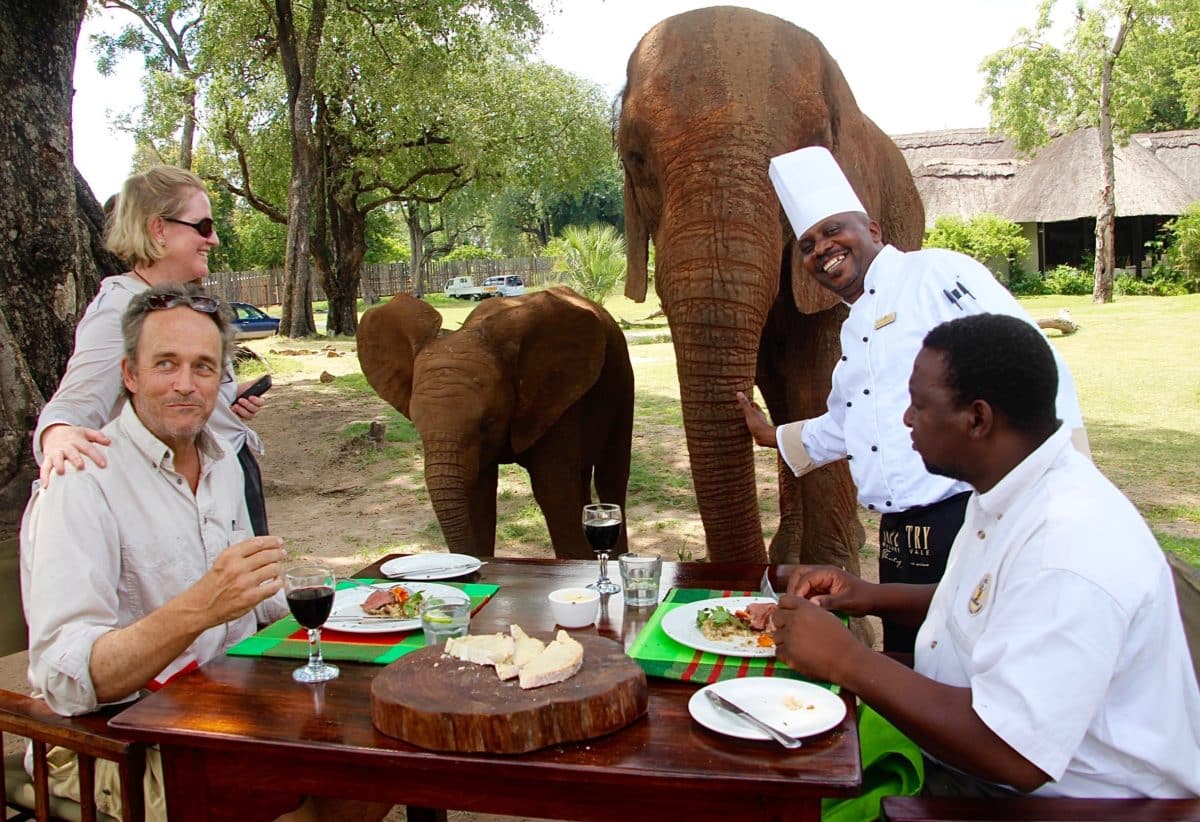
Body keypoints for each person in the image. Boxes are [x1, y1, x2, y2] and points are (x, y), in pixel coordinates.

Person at [772, 313, 1200, 798]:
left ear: (977, 418)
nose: (907, 419)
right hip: (965, 757)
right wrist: (869, 596)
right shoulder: (1013, 486)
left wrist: (848, 661)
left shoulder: (1068, 545)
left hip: (1045, 803)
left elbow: (1012, 753)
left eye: (919, 405)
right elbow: (994, 599)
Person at [737, 145, 1087, 653]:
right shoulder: (853, 327)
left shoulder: (936, 275)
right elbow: (850, 421)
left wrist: (1065, 486)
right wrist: (772, 434)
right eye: (808, 243)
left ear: (874, 231)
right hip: (899, 536)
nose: (821, 248)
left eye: (834, 230)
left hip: (964, 515)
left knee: (975, 656)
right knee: (910, 657)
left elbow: (1031, 360)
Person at [20, 283, 288, 817]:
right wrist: (201, 607)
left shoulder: (221, 462)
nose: (185, 385)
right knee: (321, 786)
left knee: (383, 756)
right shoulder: (82, 480)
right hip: (112, 742)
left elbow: (254, 608)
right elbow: (65, 680)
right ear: (129, 374)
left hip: (216, 713)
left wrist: (355, 611)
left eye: (203, 367)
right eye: (165, 364)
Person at [34, 166, 271, 535]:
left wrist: (225, 399)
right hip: (173, 497)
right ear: (158, 228)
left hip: (223, 477)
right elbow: (72, 406)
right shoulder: (119, 309)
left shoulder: (181, 301)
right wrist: (58, 434)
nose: (215, 240)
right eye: (204, 227)